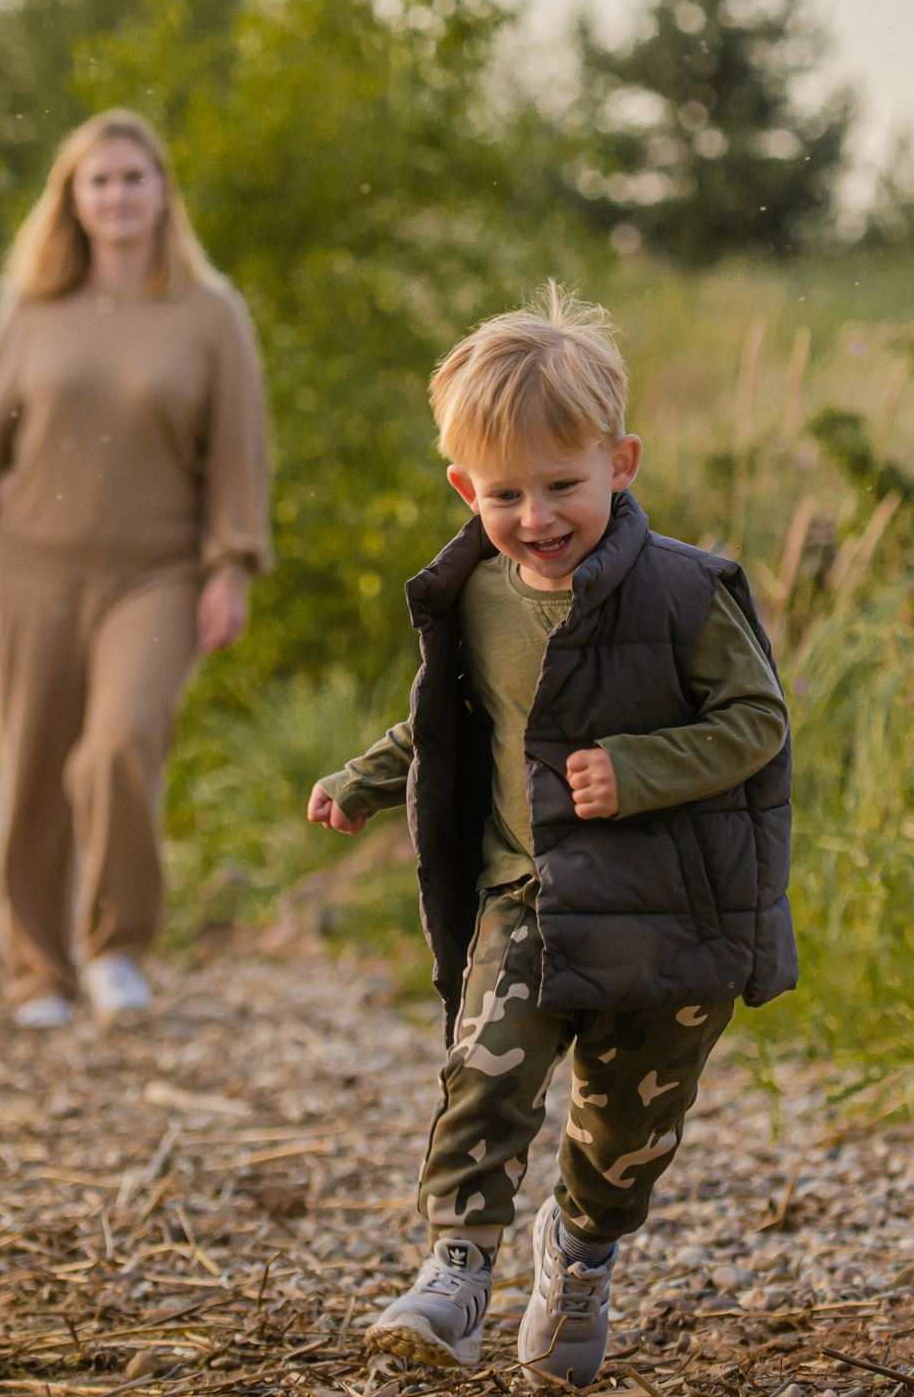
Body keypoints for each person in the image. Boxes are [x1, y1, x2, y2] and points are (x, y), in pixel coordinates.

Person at [307, 288, 794, 1389]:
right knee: (487, 1070)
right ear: (463, 488)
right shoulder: (477, 597)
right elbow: (448, 720)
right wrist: (365, 780)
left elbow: (758, 722)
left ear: (620, 462)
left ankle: (579, 1253)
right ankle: (456, 1274)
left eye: (561, 485)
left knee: (628, 1125)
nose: (537, 515)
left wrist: (638, 768)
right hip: (527, 892)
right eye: (506, 492)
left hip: (670, 906)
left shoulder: (684, 592)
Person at [0, 111, 270, 1029]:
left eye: (133, 178)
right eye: (98, 181)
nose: (117, 196)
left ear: (162, 194)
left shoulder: (210, 314)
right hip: (33, 573)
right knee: (34, 767)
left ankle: (115, 946)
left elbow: (237, 455)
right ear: (73, 200)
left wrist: (230, 566)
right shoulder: (34, 311)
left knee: (120, 743)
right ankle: (37, 969)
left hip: (155, 575)